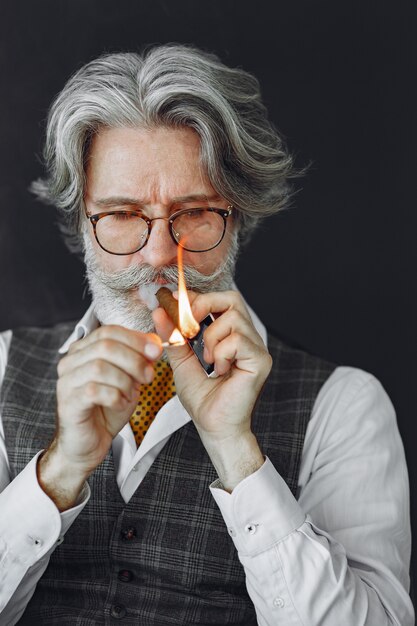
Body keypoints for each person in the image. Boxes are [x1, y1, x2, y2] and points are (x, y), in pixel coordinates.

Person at [0, 44, 413, 626]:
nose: (161, 254)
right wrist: (60, 470)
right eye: (121, 214)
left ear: (237, 217)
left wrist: (237, 453)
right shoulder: (1, 366)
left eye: (194, 212)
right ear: (82, 222)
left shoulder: (345, 406)